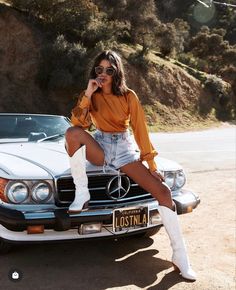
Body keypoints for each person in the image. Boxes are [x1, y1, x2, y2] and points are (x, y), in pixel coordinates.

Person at [65, 50, 196, 281]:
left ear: (117, 73)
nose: (103, 74)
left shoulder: (129, 96)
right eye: (99, 69)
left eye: (109, 70)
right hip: (101, 145)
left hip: (124, 149)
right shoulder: (92, 96)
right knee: (71, 133)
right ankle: (82, 193)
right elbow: (78, 123)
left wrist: (152, 164)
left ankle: (180, 256)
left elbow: (140, 130)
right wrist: (87, 93)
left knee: (163, 192)